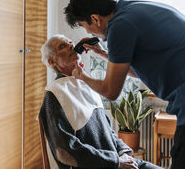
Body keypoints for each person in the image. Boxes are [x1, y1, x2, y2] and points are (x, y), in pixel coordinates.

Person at [64, 0, 185, 169]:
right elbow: (140, 71)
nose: (87, 31)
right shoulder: (133, 10)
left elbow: (112, 92)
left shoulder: (119, 27)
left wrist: (82, 77)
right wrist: (104, 54)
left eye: (84, 25)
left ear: (95, 18)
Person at [39, 34, 161, 169]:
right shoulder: (54, 94)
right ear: (51, 62)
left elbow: (107, 130)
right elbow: (64, 152)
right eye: (62, 46)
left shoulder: (86, 84)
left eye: (70, 43)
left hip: (116, 161)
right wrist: (116, 162)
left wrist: (123, 153)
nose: (71, 46)